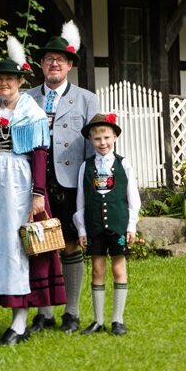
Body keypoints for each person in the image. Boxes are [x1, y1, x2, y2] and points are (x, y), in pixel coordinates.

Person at [0, 37, 65, 346]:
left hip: (16, 182)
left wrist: (38, 194)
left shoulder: (30, 111)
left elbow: (40, 153)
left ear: (20, 81)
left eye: (9, 79)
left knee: (17, 246)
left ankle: (20, 322)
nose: (3, 84)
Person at [29, 21, 99, 334]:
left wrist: (91, 187)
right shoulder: (27, 97)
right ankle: (43, 312)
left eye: (60, 59)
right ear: (41, 65)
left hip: (69, 181)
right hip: (33, 182)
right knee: (39, 244)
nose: (54, 63)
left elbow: (93, 144)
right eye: (48, 59)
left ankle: (71, 312)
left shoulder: (86, 99)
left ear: (69, 65)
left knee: (70, 244)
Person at [74, 113, 140, 336]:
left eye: (106, 138)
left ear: (114, 138)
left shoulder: (124, 164)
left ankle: (117, 320)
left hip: (118, 225)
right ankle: (98, 320)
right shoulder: (86, 167)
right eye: (97, 139)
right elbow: (81, 201)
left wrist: (131, 226)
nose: (102, 143)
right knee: (97, 271)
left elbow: (133, 199)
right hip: (94, 227)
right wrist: (82, 229)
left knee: (118, 268)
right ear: (91, 141)